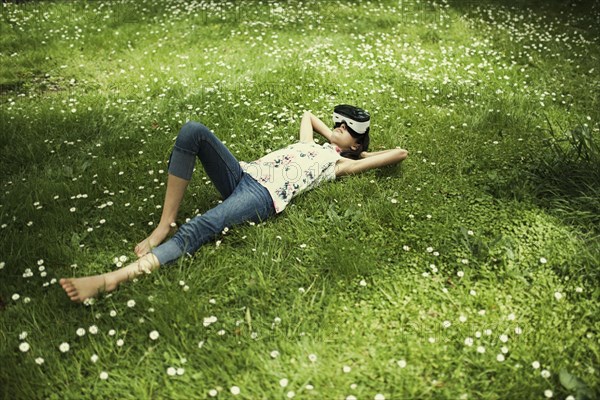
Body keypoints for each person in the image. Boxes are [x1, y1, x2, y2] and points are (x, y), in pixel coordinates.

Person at [60, 105, 408, 303]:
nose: (336, 127)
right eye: (336, 123)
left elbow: (398, 153)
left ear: (355, 146)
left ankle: (112, 279)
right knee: (193, 130)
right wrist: (335, 135)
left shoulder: (340, 164)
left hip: (262, 196)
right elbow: (307, 116)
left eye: (346, 128)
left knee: (201, 226)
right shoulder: (310, 144)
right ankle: (165, 223)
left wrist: (360, 152)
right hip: (243, 174)